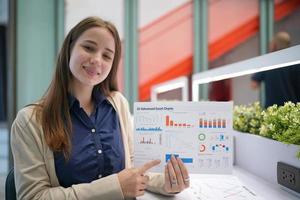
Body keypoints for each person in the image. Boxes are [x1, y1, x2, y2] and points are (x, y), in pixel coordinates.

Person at [11, 16, 190, 200]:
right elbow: (33, 196)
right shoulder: (29, 121)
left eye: (107, 56)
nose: (97, 59)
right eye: (88, 47)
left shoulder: (118, 103)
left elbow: (133, 166)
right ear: (69, 49)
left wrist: (168, 183)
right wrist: (115, 187)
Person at [251, 31, 300, 108]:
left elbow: (254, 84)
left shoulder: (269, 61)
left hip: (272, 112)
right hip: (292, 111)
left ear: (274, 45)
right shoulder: (295, 61)